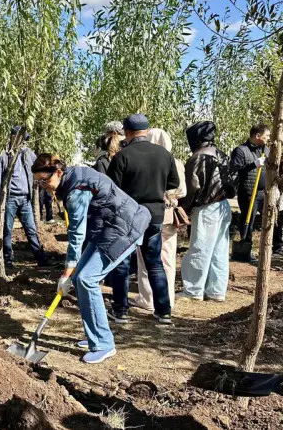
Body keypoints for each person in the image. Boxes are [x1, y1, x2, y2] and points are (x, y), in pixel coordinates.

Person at [32, 154, 149, 364]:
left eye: (45, 180)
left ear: (58, 173)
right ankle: (94, 334)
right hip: (107, 229)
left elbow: (76, 233)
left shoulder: (77, 189)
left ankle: (104, 344)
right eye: (38, 182)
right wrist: (71, 275)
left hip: (125, 228)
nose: (42, 186)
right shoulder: (70, 180)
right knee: (80, 279)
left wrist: (67, 271)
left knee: (86, 279)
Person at [107, 114, 178, 325]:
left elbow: (112, 189)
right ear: (146, 131)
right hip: (154, 216)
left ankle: (120, 310)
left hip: (129, 216)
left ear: (127, 132)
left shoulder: (122, 156)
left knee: (122, 262)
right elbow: (172, 182)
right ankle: (163, 311)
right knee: (155, 263)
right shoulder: (165, 155)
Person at [131, 128, 186, 312]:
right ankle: (167, 297)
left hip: (150, 213)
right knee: (168, 260)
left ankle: (147, 299)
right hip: (170, 215)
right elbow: (183, 190)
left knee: (146, 257)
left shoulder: (146, 159)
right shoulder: (176, 162)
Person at [178, 121, 233, 302]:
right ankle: (216, 291)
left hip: (207, 208)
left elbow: (192, 187)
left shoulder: (198, 158)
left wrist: (184, 207)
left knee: (200, 248)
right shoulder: (222, 155)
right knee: (220, 249)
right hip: (224, 206)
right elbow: (232, 184)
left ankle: (193, 291)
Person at [0, 129, 47, 267]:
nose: (22, 142)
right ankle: (7, 260)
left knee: (31, 230)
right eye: (19, 138)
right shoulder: (2, 155)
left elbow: (38, 167)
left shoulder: (28, 153)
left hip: (25, 199)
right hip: (9, 198)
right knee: (7, 230)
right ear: (12, 137)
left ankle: (41, 260)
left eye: (24, 139)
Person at [230, 123, 270, 262]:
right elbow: (234, 170)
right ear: (258, 136)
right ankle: (245, 249)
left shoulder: (266, 149)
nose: (268, 138)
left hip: (265, 193)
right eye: (266, 136)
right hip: (248, 192)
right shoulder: (241, 150)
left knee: (271, 220)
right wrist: (254, 164)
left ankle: (273, 247)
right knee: (248, 221)